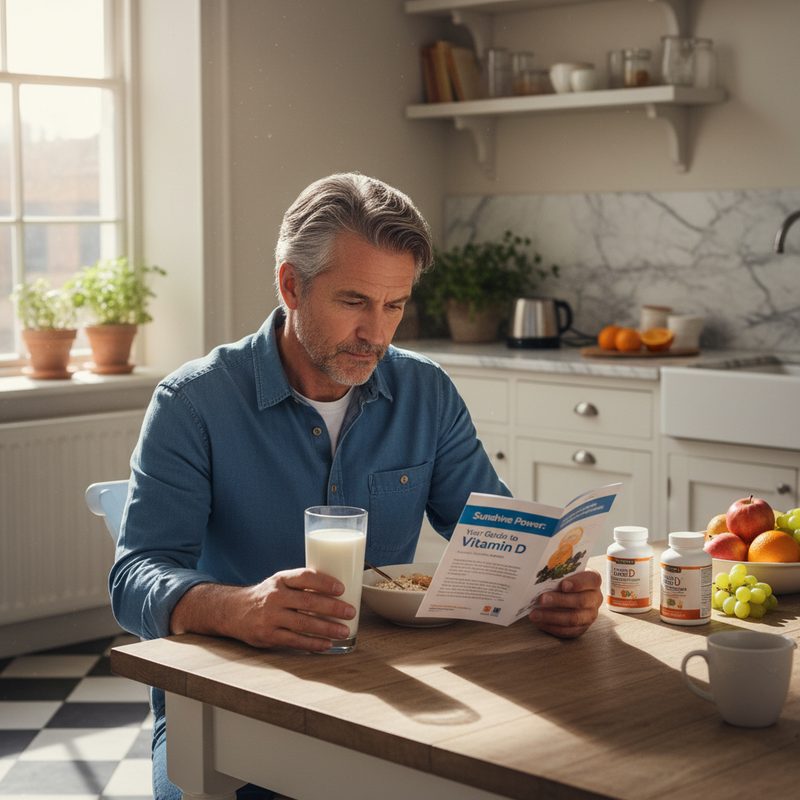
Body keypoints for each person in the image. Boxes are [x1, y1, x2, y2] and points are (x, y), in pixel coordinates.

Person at [110, 173, 603, 800]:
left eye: (394, 306)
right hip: (226, 707)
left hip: (393, 693)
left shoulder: (426, 393)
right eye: (354, 302)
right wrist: (239, 609)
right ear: (292, 284)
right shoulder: (194, 402)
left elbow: (494, 529)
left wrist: (551, 584)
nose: (377, 333)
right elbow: (133, 580)